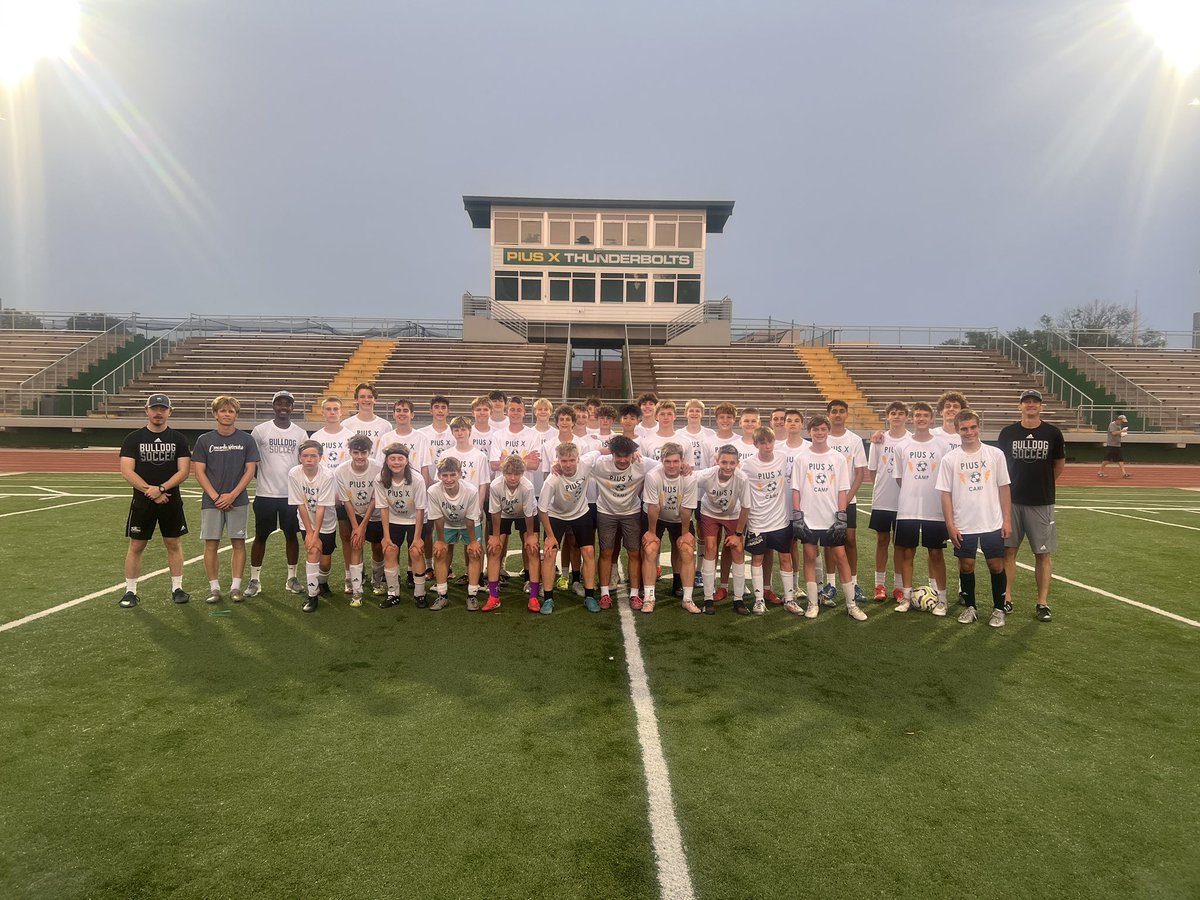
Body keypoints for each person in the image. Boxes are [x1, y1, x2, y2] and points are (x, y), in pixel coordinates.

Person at [936, 410, 1012, 627]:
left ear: (979, 427)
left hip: (992, 522)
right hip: (963, 523)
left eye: (972, 427)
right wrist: (950, 525)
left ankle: (998, 609)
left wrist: (1007, 520)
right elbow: (945, 494)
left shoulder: (995, 454)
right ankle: (970, 607)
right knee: (966, 565)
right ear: (957, 430)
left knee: (996, 565)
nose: (969, 432)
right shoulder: (950, 459)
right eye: (964, 428)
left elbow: (1004, 488)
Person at [118, 393, 192, 608]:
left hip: (171, 499)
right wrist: (150, 491)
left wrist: (161, 489)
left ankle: (177, 588)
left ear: (170, 411)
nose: (158, 412)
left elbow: (184, 471)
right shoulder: (133, 438)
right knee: (137, 545)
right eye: (154, 408)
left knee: (173, 543)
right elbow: (126, 470)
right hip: (143, 502)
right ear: (146, 410)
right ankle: (130, 591)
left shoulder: (178, 439)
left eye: (163, 408)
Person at [997, 389, 1065, 622]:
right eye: (1027, 402)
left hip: (1041, 502)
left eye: (1035, 402)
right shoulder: (1008, 433)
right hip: (1012, 500)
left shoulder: (1052, 433)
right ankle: (1006, 598)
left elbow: (1058, 464)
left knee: (1042, 553)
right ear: (1020, 407)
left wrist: (1042, 485)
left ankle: (1042, 602)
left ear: (1041, 407)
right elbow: (1001, 465)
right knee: (1009, 551)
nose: (1031, 405)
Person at [791, 413, 865, 620]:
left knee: (841, 557)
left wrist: (842, 516)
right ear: (810, 432)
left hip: (831, 518)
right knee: (810, 557)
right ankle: (813, 604)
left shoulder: (838, 458)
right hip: (809, 518)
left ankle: (851, 604)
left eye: (823, 429)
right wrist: (798, 515)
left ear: (829, 432)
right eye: (816, 430)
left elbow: (843, 490)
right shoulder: (801, 458)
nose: (820, 433)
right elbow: (796, 489)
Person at [191, 395, 258, 604]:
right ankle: (214, 588)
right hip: (212, 502)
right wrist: (215, 496)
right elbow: (199, 471)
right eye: (223, 411)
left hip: (238, 500)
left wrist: (232, 495)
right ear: (215, 414)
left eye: (231, 411)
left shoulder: (247, 439)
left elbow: (250, 470)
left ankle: (236, 587)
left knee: (238, 543)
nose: (227, 414)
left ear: (236, 415)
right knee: (211, 544)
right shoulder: (204, 440)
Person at [580, 435, 654, 610]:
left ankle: (634, 594)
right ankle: (604, 593)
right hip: (606, 512)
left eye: (626, 456)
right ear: (611, 454)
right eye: (618, 456)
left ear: (632, 454)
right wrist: (600, 451)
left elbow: (664, 466)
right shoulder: (601, 463)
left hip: (632, 512)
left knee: (634, 552)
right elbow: (581, 461)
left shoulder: (641, 462)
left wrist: (684, 466)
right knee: (606, 552)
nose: (622, 460)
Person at [892, 402, 952, 614]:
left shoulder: (942, 446)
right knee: (907, 553)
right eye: (917, 415)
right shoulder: (902, 447)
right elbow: (900, 478)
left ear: (931, 419)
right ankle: (906, 598)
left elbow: (946, 477)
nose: (921, 419)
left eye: (925, 415)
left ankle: (942, 600)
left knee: (936, 553)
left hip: (934, 509)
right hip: (907, 509)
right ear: (913, 419)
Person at [247, 390, 309, 597]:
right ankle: (254, 580)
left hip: (291, 496)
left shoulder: (300, 433)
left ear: (292, 408)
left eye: (288, 404)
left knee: (291, 535)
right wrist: (263, 480)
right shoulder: (260, 431)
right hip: (265, 495)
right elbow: (252, 461)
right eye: (280, 403)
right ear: (273, 406)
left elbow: (304, 462)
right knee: (261, 536)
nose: (284, 407)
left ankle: (292, 578)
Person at [739, 425, 798, 616]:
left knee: (785, 557)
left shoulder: (782, 458)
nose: (767, 445)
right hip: (757, 520)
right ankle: (758, 600)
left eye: (769, 441)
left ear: (774, 442)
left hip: (780, 520)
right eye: (762, 442)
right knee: (757, 559)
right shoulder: (747, 464)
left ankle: (789, 599)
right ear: (755, 444)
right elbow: (734, 477)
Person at [539, 441, 599, 611]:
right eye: (563, 461)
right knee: (550, 553)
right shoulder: (552, 480)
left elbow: (602, 450)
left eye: (571, 460)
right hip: (556, 515)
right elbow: (542, 510)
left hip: (581, 513)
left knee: (588, 551)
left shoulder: (586, 463)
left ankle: (589, 596)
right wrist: (550, 536)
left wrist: (633, 454)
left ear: (578, 459)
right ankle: (549, 598)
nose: (568, 464)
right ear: (557, 460)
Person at [821, 399, 868, 607]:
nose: (838, 415)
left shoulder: (855, 440)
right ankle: (830, 583)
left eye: (841, 411)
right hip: (825, 499)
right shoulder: (823, 437)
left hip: (847, 500)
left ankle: (854, 583)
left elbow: (859, 473)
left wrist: (847, 498)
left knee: (849, 539)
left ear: (846, 414)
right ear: (829, 414)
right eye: (834, 411)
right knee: (830, 540)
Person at [640, 442, 698, 613]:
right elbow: (653, 507)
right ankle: (649, 597)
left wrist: (685, 534)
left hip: (679, 517)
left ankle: (687, 598)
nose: (671, 465)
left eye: (675, 461)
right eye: (667, 461)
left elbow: (686, 509)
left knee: (685, 548)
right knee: (650, 548)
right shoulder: (653, 476)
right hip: (655, 516)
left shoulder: (689, 478)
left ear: (682, 462)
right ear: (661, 461)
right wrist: (651, 533)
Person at [695, 444, 750, 614]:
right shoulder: (706, 475)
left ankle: (738, 599)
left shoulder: (742, 478)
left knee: (737, 548)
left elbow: (746, 507)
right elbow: (687, 478)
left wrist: (738, 535)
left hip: (733, 514)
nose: (728, 467)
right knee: (711, 546)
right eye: (724, 462)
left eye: (732, 463)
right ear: (717, 461)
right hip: (710, 512)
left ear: (737, 463)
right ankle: (708, 598)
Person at [485, 455, 542, 613]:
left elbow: (529, 513)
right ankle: (493, 596)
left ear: (522, 473)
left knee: (532, 548)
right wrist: (496, 536)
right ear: (503, 472)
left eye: (517, 474)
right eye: (509, 474)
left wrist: (530, 535)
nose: (512, 477)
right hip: (503, 515)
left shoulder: (527, 487)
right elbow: (495, 512)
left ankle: (534, 596)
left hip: (526, 516)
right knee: (494, 549)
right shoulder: (496, 485)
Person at [426, 456, 484, 610]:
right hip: (446, 523)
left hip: (468, 523)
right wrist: (440, 541)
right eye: (444, 475)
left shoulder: (471, 491)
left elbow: (470, 518)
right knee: (440, 552)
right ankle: (442, 595)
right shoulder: (433, 490)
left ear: (459, 474)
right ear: (439, 476)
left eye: (452, 475)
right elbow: (437, 517)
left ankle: (472, 595)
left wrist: (472, 542)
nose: (449, 479)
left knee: (474, 552)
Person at [866, 401, 910, 602]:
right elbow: (873, 470)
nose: (897, 416)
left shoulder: (912, 440)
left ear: (906, 417)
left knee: (900, 544)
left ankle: (899, 587)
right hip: (883, 499)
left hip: (905, 502)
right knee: (882, 541)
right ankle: (879, 585)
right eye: (893, 413)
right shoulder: (879, 440)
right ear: (888, 416)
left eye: (901, 413)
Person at [375, 443, 428, 609]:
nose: (396, 462)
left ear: (406, 461)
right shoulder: (380, 479)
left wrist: (418, 537)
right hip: (394, 519)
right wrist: (386, 536)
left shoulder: (417, 479)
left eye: (400, 459)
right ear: (387, 461)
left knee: (416, 551)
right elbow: (383, 508)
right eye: (392, 459)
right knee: (389, 549)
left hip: (415, 519)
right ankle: (393, 594)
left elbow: (420, 509)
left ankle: (420, 594)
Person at [288, 440, 337, 612]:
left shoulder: (327, 475)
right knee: (313, 551)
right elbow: (300, 503)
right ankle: (312, 595)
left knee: (325, 562)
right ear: (300, 458)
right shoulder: (294, 473)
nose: (309, 459)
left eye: (313, 456)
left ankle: (322, 583)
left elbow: (322, 507)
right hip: (306, 521)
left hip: (326, 523)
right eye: (305, 456)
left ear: (320, 457)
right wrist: (309, 532)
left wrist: (316, 534)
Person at [335, 434, 383, 606]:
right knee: (355, 543)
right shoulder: (341, 471)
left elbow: (375, 499)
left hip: (374, 512)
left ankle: (377, 581)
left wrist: (363, 525)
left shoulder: (378, 468)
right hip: (353, 512)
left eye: (364, 453)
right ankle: (356, 589)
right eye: (356, 452)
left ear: (370, 452)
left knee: (377, 546)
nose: (360, 457)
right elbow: (345, 500)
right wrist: (356, 526)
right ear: (350, 452)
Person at [342, 382, 389, 453]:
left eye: (370, 397)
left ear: (375, 400)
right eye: (362, 397)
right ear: (356, 399)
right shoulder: (346, 425)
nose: (366, 400)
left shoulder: (385, 426)